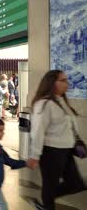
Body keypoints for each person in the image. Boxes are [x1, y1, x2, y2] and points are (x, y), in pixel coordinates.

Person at [28, 70, 86, 210]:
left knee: (76, 184)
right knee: (50, 185)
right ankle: (46, 203)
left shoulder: (61, 100)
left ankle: (45, 200)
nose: (67, 83)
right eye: (63, 80)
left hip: (66, 150)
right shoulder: (44, 104)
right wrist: (34, 155)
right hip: (51, 151)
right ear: (52, 82)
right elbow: (37, 131)